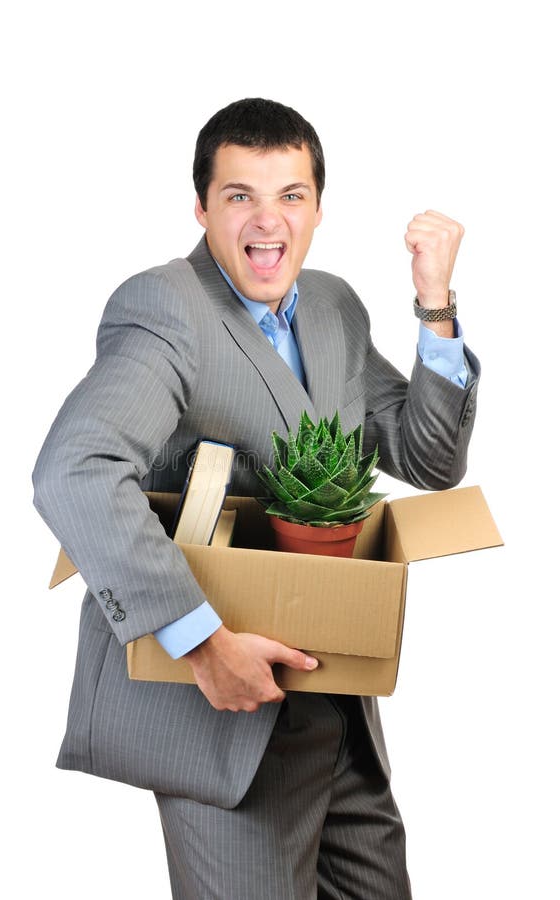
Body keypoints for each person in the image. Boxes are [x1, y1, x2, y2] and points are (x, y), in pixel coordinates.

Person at [33, 97, 479, 899]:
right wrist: (202, 643)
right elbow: (76, 468)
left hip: (339, 709)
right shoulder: (167, 308)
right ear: (202, 207)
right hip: (228, 716)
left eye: (291, 196)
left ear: (317, 210)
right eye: (240, 195)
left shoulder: (334, 306)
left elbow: (428, 458)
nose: (267, 222)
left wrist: (436, 306)